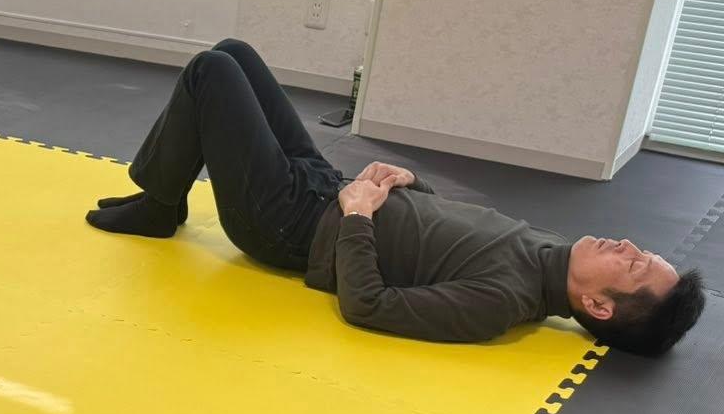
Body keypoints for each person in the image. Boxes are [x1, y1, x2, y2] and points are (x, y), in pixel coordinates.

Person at [86, 38, 706, 353]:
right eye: (640, 250)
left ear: (597, 306)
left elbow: (369, 305)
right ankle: (161, 199)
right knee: (234, 54)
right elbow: (444, 230)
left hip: (288, 224)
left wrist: (359, 217)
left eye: (633, 265)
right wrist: (411, 183)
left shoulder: (501, 303)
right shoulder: (552, 252)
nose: (627, 245)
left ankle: (160, 207)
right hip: (331, 189)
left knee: (211, 71)